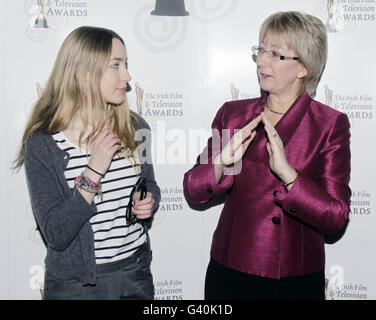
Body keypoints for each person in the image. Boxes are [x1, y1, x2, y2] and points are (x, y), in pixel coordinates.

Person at [183, 11, 351, 300]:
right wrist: (221, 161)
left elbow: (336, 217)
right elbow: (194, 190)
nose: (262, 61)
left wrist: (289, 176)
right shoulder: (233, 114)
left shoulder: (329, 124)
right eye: (260, 50)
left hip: (295, 278)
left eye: (276, 54)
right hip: (232, 271)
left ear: (303, 68)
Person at [14, 26, 160, 300]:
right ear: (82, 72)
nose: (127, 77)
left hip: (135, 272)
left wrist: (149, 200)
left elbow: (149, 184)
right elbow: (56, 233)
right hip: (76, 286)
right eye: (115, 65)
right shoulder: (44, 143)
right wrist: (94, 170)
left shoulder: (135, 127)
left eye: (125, 65)